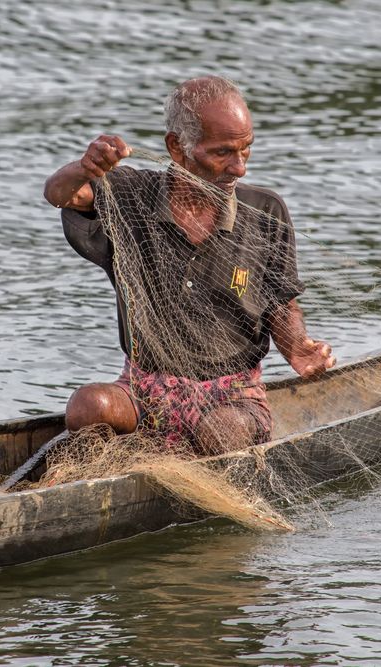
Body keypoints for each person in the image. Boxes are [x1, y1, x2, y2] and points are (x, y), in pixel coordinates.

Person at [43, 76, 334, 455]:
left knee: (220, 433)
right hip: (143, 390)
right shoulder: (129, 197)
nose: (239, 168)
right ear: (177, 147)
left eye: (246, 151)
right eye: (222, 153)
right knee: (88, 407)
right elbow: (60, 195)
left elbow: (280, 302)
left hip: (232, 397)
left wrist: (297, 347)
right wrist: (85, 168)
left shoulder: (265, 211)